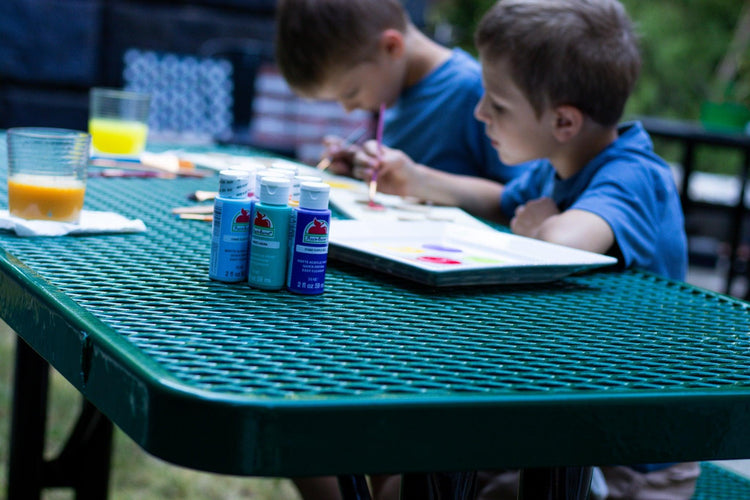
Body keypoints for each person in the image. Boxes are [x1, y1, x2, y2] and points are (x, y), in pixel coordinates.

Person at [348, 0, 699, 498]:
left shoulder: (635, 175)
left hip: (630, 460)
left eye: (498, 104)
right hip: (564, 422)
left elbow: (566, 242)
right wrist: (416, 177)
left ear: (563, 122)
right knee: (398, 485)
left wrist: (545, 225)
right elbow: (501, 199)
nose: (479, 111)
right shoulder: (556, 165)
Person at [274, 0, 526, 183]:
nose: (348, 108)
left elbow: (520, 199)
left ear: (391, 47)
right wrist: (360, 165)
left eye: (350, 93)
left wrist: (419, 181)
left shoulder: (475, 93)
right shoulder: (394, 90)